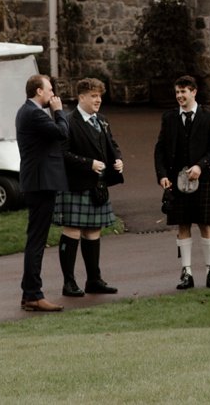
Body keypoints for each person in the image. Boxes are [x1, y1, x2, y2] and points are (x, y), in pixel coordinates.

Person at [57, 77, 125, 296]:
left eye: (100, 96)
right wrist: (88, 164)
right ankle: (69, 283)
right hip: (75, 184)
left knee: (94, 231)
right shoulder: (68, 121)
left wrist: (118, 159)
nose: (98, 100)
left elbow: (111, 145)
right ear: (82, 97)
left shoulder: (102, 120)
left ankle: (93, 280)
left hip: (97, 185)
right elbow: (62, 154)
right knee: (73, 230)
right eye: (94, 96)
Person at [154, 74, 210, 289]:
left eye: (183, 92)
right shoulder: (169, 118)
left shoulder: (209, 116)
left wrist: (200, 166)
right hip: (176, 180)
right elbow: (160, 150)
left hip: (203, 180)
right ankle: (187, 273)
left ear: (194, 92)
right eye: (177, 92)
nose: (179, 96)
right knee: (182, 225)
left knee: (205, 224)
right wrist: (163, 175)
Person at [15, 72, 67, 312]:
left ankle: (29, 293)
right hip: (39, 182)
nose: (52, 95)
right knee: (36, 240)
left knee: (36, 238)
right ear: (38, 91)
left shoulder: (29, 112)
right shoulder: (34, 113)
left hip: (37, 181)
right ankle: (34, 294)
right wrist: (59, 111)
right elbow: (62, 133)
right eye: (49, 90)